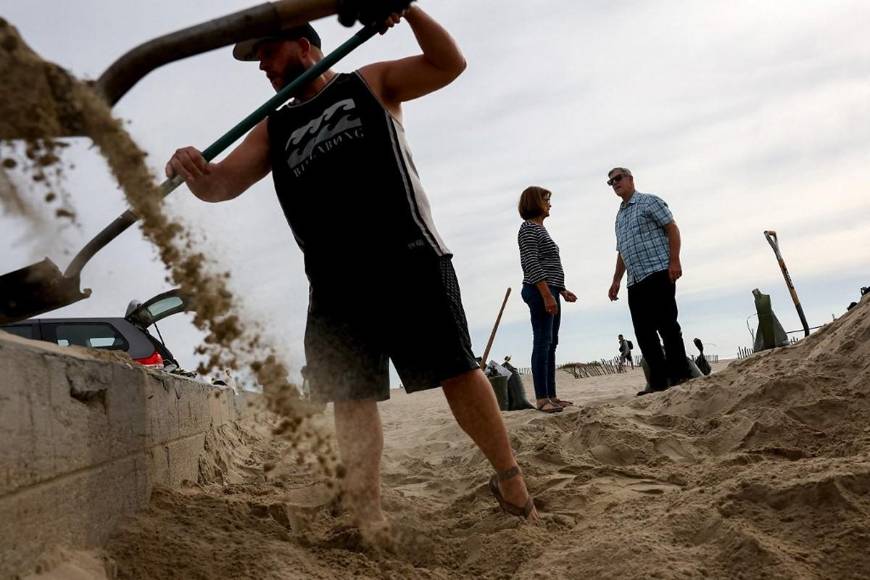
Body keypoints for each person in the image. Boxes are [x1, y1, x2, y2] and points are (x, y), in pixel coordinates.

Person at [165, 7, 538, 536]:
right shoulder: (275, 125)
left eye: (268, 52)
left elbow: (448, 63)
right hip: (334, 283)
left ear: (302, 44)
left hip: (408, 257)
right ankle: (367, 512)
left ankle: (511, 481)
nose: (264, 67)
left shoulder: (371, 82)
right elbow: (221, 186)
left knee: (458, 369)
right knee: (352, 395)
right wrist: (191, 168)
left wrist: (406, 10)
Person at [606, 168, 691, 395]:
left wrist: (674, 260)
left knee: (667, 326)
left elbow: (672, 228)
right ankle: (659, 382)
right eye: (611, 181)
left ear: (631, 179)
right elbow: (622, 251)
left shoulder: (649, 202)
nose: (615, 183)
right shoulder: (619, 216)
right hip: (635, 281)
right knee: (643, 333)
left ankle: (680, 375)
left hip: (658, 271)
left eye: (618, 178)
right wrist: (616, 280)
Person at [516, 186, 578, 413]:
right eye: (546, 199)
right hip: (538, 290)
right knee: (542, 342)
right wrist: (545, 294)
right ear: (536, 202)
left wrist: (561, 290)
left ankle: (551, 395)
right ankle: (541, 398)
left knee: (551, 344)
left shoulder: (540, 229)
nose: (550, 204)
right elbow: (531, 262)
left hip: (550, 289)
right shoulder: (528, 228)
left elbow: (547, 263)